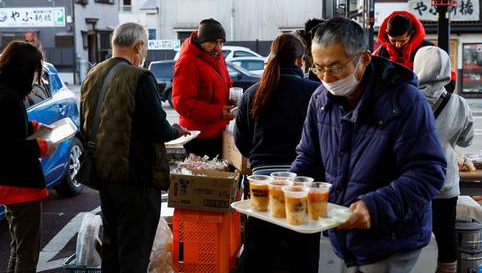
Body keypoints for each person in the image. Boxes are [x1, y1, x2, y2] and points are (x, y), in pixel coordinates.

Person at [289, 17, 446, 272]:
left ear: (364, 59)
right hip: (341, 233)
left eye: (336, 68)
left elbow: (428, 172)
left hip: (391, 237)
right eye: (318, 68)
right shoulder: (319, 99)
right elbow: (309, 155)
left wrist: (375, 206)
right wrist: (293, 182)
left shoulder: (405, 101)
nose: (327, 78)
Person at [80, 22, 189, 273]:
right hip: (136, 178)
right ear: (138, 47)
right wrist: (176, 131)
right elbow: (159, 128)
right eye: (146, 49)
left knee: (113, 246)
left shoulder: (93, 74)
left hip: (104, 175)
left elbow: (85, 124)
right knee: (134, 253)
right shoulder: (139, 77)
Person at [234, 33, 321, 272]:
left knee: (259, 253)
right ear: (300, 61)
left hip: (263, 184)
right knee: (301, 254)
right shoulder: (316, 92)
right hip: (303, 184)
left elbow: (242, 142)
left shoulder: (253, 93)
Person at [0, 41, 57, 272]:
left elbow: (6, 132)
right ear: (25, 70)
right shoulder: (9, 99)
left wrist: (34, 127)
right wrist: (44, 146)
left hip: (5, 184)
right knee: (27, 252)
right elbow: (11, 147)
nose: (37, 78)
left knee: (18, 246)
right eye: (36, 71)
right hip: (19, 186)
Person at [413, 46, 474, 273]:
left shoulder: (407, 97)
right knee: (446, 232)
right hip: (445, 181)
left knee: (412, 232)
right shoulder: (459, 103)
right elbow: (467, 140)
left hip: (412, 181)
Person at [172, 18, 234, 158]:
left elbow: (227, 84)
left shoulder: (218, 58)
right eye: (213, 42)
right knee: (204, 178)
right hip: (198, 137)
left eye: (221, 42)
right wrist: (218, 111)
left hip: (219, 132)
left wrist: (230, 100)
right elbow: (182, 103)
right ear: (201, 41)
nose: (218, 47)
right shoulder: (187, 62)